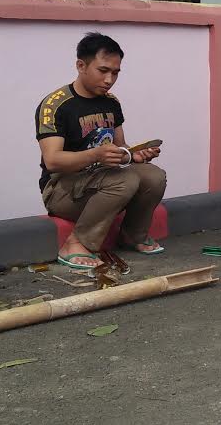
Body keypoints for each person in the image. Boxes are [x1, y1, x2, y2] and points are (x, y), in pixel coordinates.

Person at [36, 32, 167, 269]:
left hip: (103, 181)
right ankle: (76, 243)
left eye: (115, 73)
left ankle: (133, 235)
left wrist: (133, 155)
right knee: (124, 180)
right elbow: (53, 161)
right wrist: (96, 155)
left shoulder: (111, 102)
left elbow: (119, 146)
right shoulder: (55, 104)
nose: (109, 79)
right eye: (103, 70)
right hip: (61, 189)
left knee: (154, 176)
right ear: (81, 65)